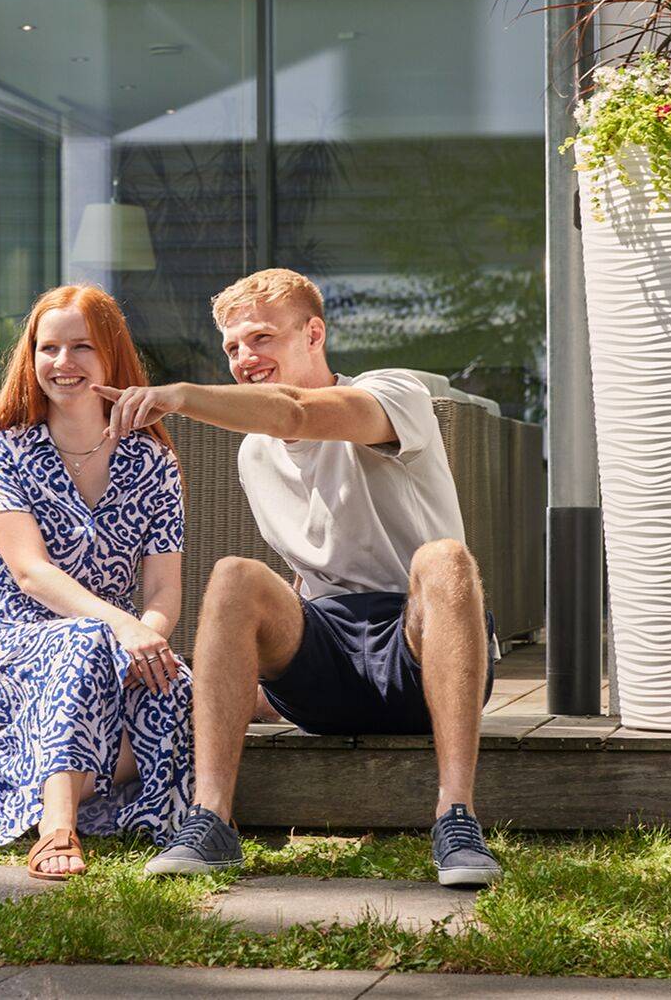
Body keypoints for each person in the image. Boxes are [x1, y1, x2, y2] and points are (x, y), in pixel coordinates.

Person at [93, 268, 504, 888]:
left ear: (314, 333)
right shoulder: (252, 452)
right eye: (232, 348)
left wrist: (177, 395)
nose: (244, 358)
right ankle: (210, 822)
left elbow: (296, 412)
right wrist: (240, 680)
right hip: (329, 668)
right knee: (235, 575)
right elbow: (304, 569)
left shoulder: (393, 395)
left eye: (260, 338)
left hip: (421, 654)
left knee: (444, 559)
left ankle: (457, 818)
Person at [0, 284, 192, 880]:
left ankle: (0, 804)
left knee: (179, 688)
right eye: (49, 348)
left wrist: (150, 634)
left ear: (112, 357)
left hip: (117, 643)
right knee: (83, 640)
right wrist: (121, 627)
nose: (62, 363)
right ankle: (56, 827)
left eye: (81, 348)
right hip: (13, 643)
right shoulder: (4, 451)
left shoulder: (153, 462)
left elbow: (164, 590)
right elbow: (29, 571)